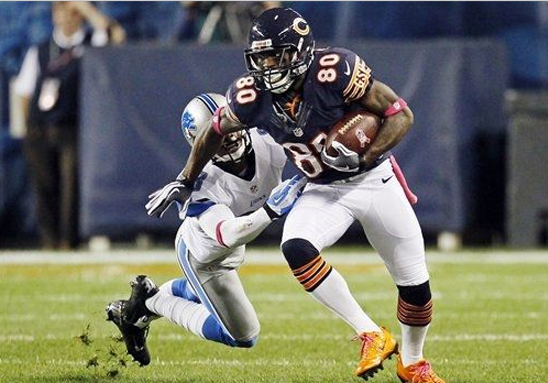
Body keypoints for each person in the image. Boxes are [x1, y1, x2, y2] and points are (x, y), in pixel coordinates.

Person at [146, 7, 446, 383]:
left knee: (415, 286)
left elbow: (401, 114)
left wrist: (364, 154)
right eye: (261, 57)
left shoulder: (335, 70)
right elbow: (214, 130)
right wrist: (186, 178)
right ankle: (370, 333)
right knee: (297, 245)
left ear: (300, 51)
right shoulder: (250, 94)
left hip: (374, 179)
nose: (267, 65)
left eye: (275, 55)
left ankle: (413, 362)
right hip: (322, 188)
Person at [106, 93, 306, 366]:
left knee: (218, 304)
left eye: (232, 130)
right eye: (219, 137)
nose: (231, 138)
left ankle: (148, 296)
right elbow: (229, 234)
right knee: (243, 336)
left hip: (235, 246)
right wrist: (270, 210)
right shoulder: (204, 185)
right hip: (205, 257)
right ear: (203, 143)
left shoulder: (265, 140)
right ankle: (150, 303)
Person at [12, 1, 125, 250]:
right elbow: (24, 91)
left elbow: (115, 36)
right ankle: (49, 241)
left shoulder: (88, 46)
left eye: (71, 12)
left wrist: (85, 8)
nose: (65, 17)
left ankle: (68, 243)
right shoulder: (41, 49)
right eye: (60, 11)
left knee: (70, 186)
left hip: (72, 127)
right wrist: (28, 127)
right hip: (40, 128)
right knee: (44, 186)